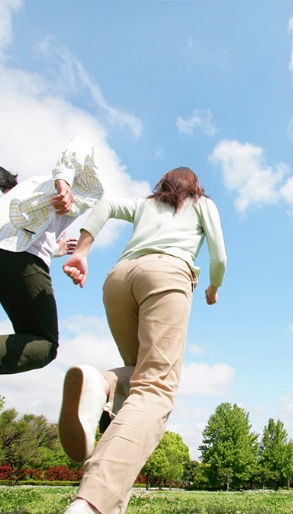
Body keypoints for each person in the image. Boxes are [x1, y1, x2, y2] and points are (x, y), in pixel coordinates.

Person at [59, 167, 227, 514]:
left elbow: (104, 206)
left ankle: (102, 382)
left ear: (162, 185)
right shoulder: (202, 204)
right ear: (194, 187)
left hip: (119, 279)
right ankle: (91, 504)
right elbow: (219, 257)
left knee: (139, 377)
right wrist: (213, 287)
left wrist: (83, 252)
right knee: (155, 389)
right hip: (166, 275)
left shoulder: (144, 205)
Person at [0, 137, 103, 374]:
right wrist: (64, 180)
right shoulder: (40, 184)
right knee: (44, 344)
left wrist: (56, 249)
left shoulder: (11, 201)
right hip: (20, 257)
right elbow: (82, 144)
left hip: (15, 254)